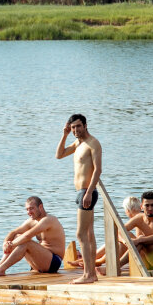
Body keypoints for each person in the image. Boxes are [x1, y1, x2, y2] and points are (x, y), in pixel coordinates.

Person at [56, 113, 102, 284]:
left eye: (78, 126)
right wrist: (64, 134)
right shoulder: (78, 143)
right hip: (81, 192)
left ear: (85, 125)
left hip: (86, 192)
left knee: (81, 233)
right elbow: (59, 155)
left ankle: (88, 274)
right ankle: (91, 274)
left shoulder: (93, 143)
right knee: (89, 234)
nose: (75, 130)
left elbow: (97, 170)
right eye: (73, 127)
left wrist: (89, 192)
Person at [0, 196, 66, 277]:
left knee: (26, 242)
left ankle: (1, 269)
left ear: (40, 207)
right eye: (27, 209)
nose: (29, 212)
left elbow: (27, 236)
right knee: (17, 236)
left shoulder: (49, 220)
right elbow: (13, 232)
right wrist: (5, 243)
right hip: (40, 261)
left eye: (31, 208)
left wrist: (11, 245)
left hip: (54, 262)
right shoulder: (31, 221)